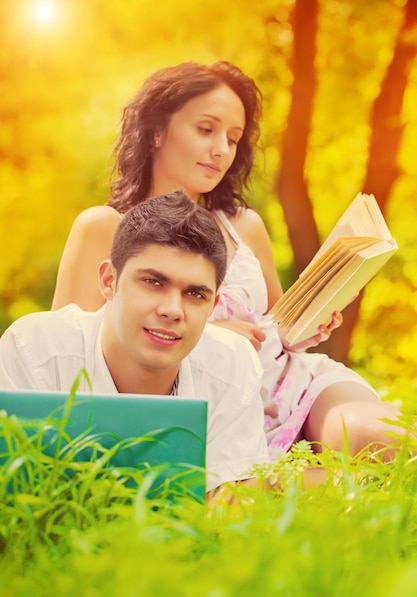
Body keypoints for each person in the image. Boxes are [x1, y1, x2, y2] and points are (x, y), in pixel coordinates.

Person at [50, 60, 407, 461]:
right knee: (268, 483)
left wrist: (308, 321)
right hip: (208, 404)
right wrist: (211, 339)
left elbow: (276, 326)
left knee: (382, 439)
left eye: (233, 138)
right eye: (206, 130)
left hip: (288, 384)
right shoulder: (103, 227)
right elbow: (69, 360)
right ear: (155, 132)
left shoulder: (244, 225)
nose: (221, 150)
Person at [0, 191, 271, 500]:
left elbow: (235, 507)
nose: (173, 309)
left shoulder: (233, 365)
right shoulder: (33, 350)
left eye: (195, 294)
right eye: (153, 282)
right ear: (108, 281)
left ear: (214, 305)